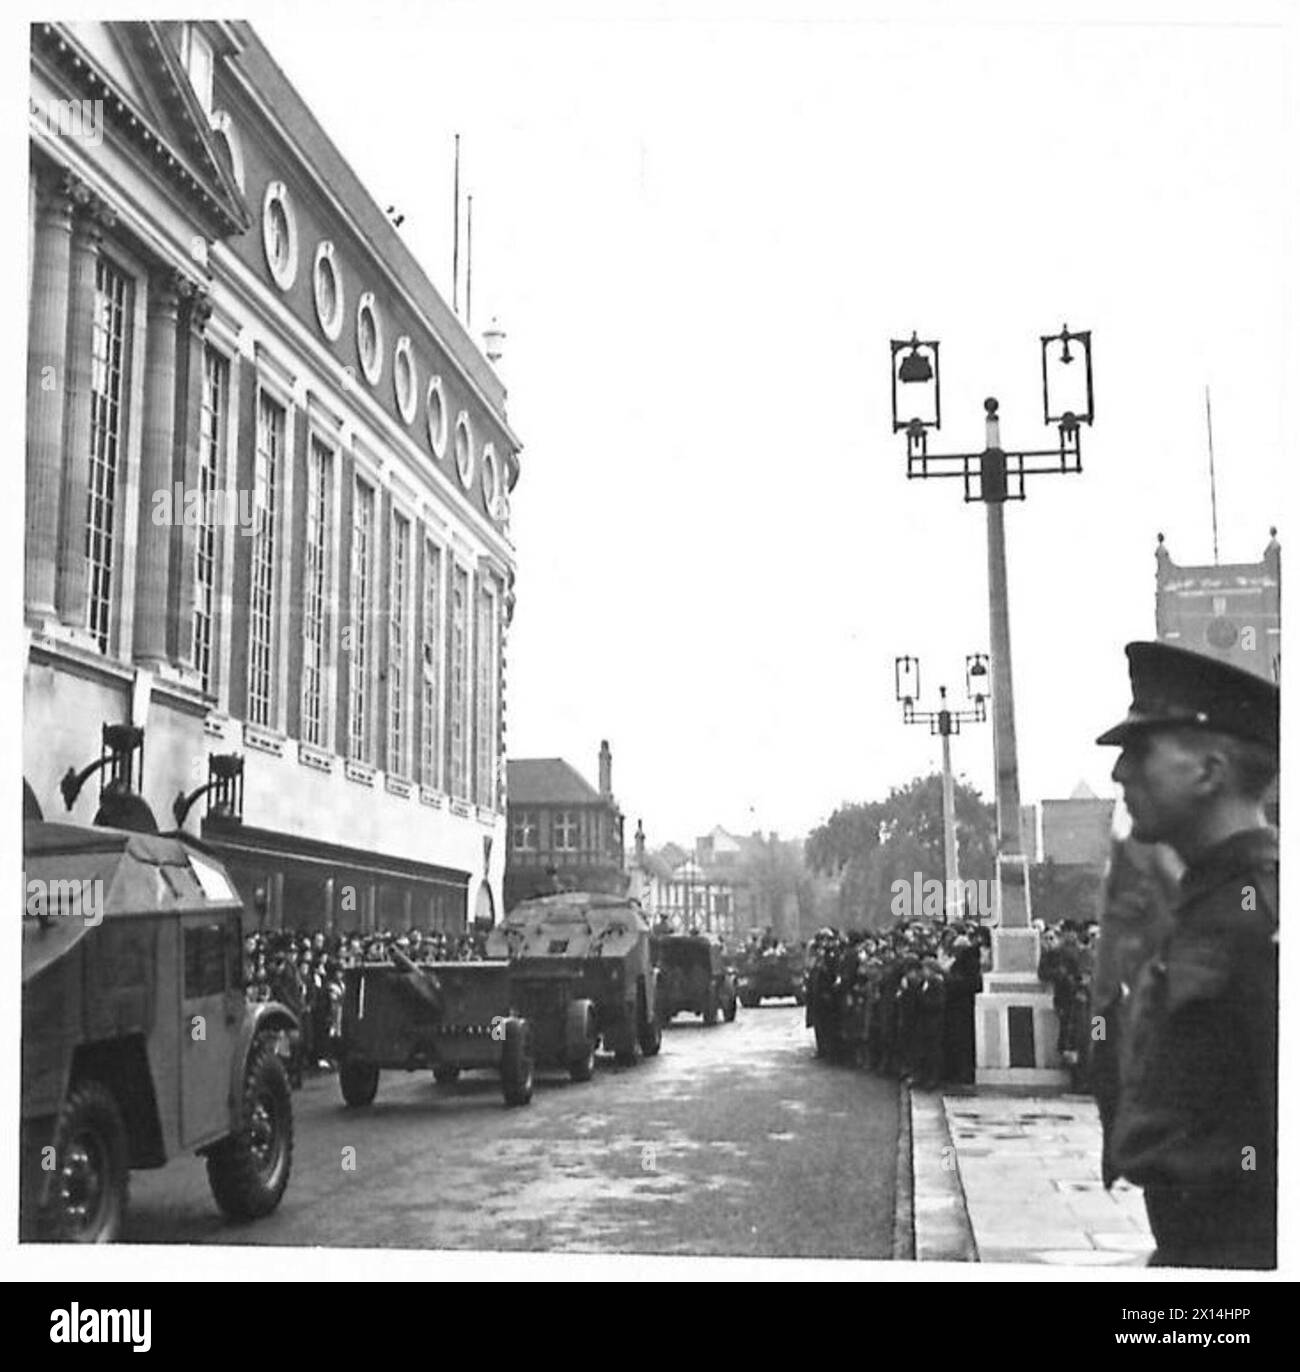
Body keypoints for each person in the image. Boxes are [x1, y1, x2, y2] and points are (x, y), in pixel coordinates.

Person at [1097, 640, 1278, 1269]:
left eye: (1141, 751)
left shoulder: (1264, 919)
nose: (1121, 773)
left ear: (1208, 772)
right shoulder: (1209, 905)